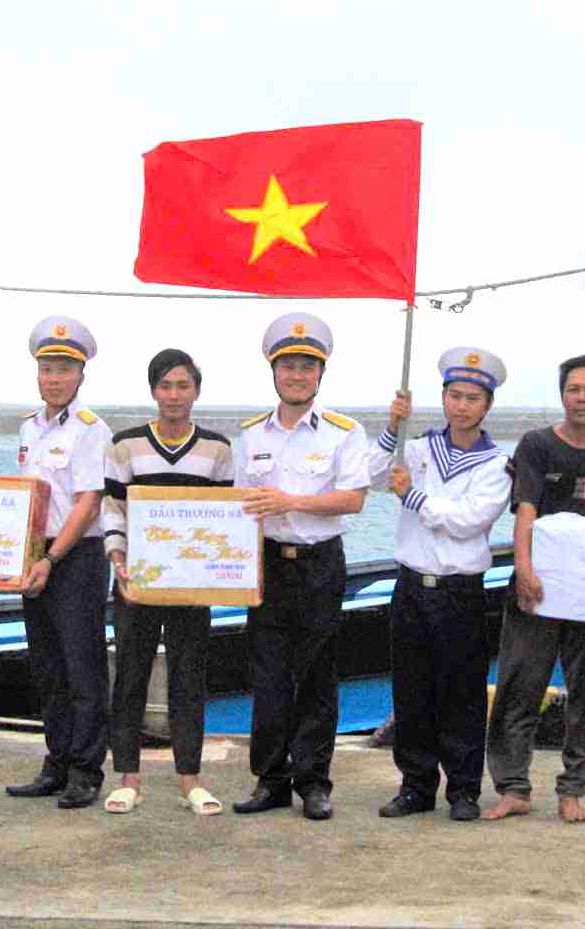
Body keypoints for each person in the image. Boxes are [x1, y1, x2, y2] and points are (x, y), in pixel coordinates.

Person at [232, 312, 372, 822]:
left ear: (320, 374)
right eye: (287, 366)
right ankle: (270, 781)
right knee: (268, 677)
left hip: (319, 565)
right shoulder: (251, 435)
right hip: (267, 564)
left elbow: (354, 499)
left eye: (306, 367)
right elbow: (236, 506)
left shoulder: (343, 433)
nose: (296, 376)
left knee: (316, 677)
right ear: (273, 372)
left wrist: (290, 501)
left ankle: (313, 782)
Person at [487, 354, 585, 824]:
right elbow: (526, 508)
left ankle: (572, 789)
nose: (582, 398)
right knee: (518, 688)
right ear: (562, 395)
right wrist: (524, 569)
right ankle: (513, 787)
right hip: (537, 588)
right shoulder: (536, 445)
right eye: (574, 389)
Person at [372, 346, 515, 823]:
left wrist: (412, 496)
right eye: (455, 395)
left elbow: (468, 522)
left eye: (473, 398)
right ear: (443, 397)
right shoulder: (417, 447)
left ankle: (464, 789)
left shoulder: (497, 464)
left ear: (487, 404)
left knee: (462, 693)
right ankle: (415, 786)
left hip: (459, 591)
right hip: (412, 585)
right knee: (411, 691)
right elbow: (372, 474)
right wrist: (393, 426)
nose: (462, 406)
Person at [104, 347, 235, 816]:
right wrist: (117, 559)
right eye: (165, 385)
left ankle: (190, 780)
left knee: (188, 678)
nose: (174, 394)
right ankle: (127, 778)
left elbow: (225, 520)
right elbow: (113, 509)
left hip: (192, 586)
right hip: (136, 582)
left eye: (183, 385)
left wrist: (223, 573)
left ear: (196, 390)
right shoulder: (125, 445)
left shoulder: (218, 449)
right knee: (130, 678)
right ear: (153, 391)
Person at [5, 317, 114, 810]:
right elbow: (24, 500)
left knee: (82, 668)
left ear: (80, 376)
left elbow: (88, 502)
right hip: (36, 555)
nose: (54, 379)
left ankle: (86, 770)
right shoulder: (29, 427)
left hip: (76, 558)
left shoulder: (91, 430)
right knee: (47, 666)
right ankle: (57, 762)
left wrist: (51, 557)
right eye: (47, 369)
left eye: (64, 370)